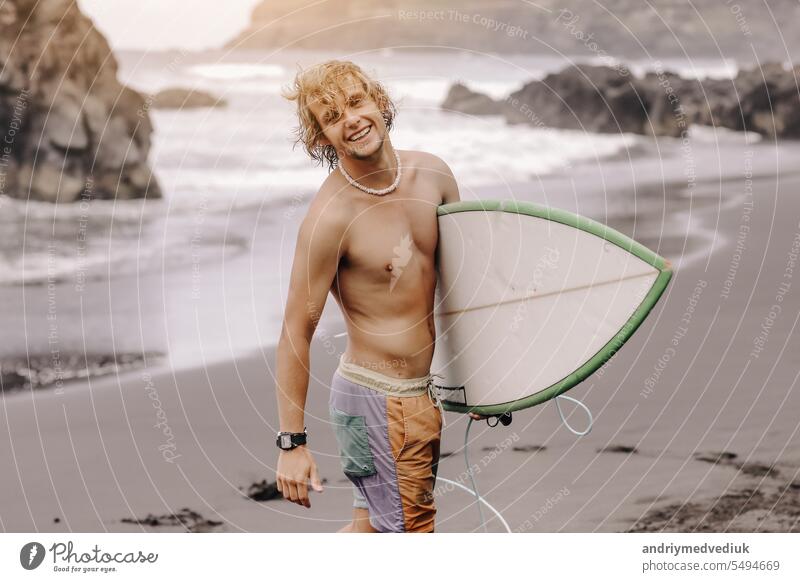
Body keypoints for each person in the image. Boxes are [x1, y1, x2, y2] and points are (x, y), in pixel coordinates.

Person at [275, 60, 481, 533]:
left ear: (380, 102)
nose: (350, 119)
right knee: (409, 532)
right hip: (378, 400)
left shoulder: (434, 175)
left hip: (418, 394)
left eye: (355, 102)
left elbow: (469, 282)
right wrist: (292, 443)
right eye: (330, 117)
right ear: (320, 139)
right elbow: (295, 330)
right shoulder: (331, 218)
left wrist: (486, 379)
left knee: (374, 530)